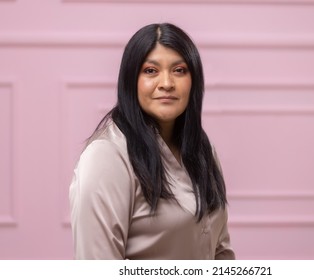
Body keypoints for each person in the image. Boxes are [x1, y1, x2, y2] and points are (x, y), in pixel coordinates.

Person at [69, 23, 235, 260]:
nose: (166, 83)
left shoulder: (203, 150)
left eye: (179, 70)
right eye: (150, 71)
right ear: (130, 80)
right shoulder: (106, 157)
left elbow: (221, 250)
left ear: (194, 80)